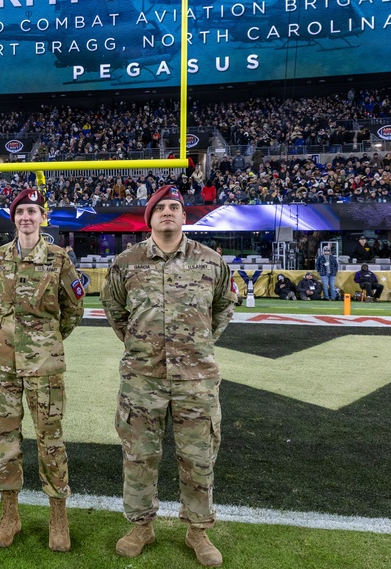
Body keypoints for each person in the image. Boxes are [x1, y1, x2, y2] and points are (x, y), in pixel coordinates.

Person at [102, 185, 235, 565]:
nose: (168, 212)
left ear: (183, 216)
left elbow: (224, 306)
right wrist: (141, 344)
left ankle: (198, 531)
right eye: (160, 208)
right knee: (139, 455)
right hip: (142, 378)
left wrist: (199, 343)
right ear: (150, 217)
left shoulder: (210, 261)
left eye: (175, 207)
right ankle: (142, 526)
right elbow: (115, 310)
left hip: (196, 379)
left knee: (198, 458)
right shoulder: (126, 262)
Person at [0, 188, 84, 552]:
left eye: (32, 211)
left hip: (44, 365)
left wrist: (47, 339)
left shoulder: (58, 259)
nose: (26, 217)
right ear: (14, 218)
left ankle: (58, 515)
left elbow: (73, 310)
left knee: (50, 440)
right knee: (3, 439)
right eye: (21, 211)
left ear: (43, 217)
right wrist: (7, 335)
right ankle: (10, 514)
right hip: (1, 363)